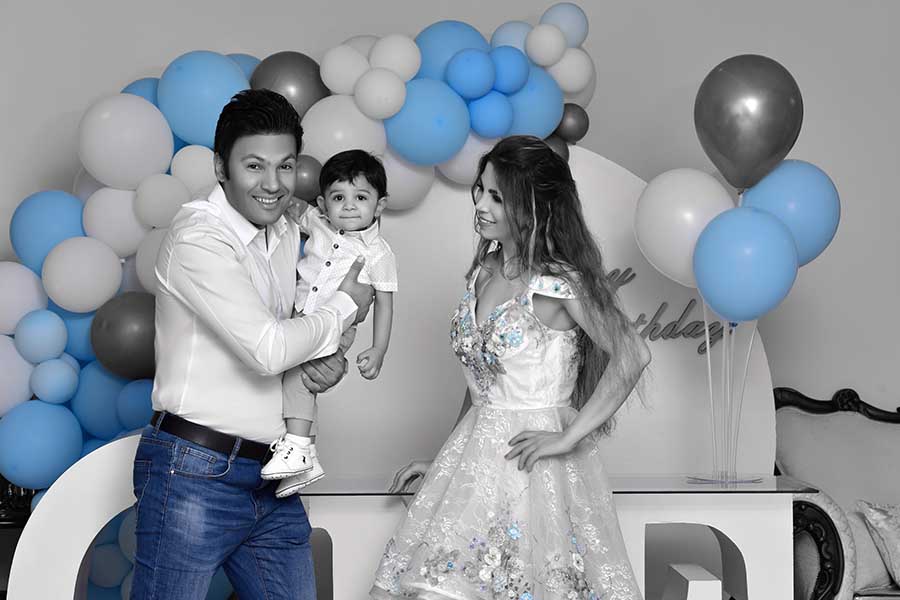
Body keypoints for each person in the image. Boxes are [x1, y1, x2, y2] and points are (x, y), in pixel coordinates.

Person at [370, 136, 650, 600]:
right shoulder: (484, 271)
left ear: (534, 205)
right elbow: (481, 385)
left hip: (534, 466)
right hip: (476, 457)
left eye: (497, 197)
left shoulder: (557, 282)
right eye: (480, 190)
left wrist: (567, 437)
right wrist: (446, 460)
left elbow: (633, 354)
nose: (480, 205)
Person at [130, 89, 374, 600]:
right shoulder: (198, 237)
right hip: (193, 471)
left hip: (272, 474)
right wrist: (343, 309)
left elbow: (292, 336)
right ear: (221, 167)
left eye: (285, 166)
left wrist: (323, 362)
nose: (273, 184)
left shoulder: (285, 230)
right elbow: (268, 349)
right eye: (254, 166)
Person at [262, 149, 397, 496]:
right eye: (339, 198)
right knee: (295, 383)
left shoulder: (379, 253)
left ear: (379, 205)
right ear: (324, 203)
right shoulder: (318, 223)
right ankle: (305, 455)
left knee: (299, 379)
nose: (349, 206)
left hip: (338, 327)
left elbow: (385, 302)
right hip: (299, 315)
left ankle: (298, 448)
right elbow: (292, 206)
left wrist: (379, 349)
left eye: (361, 198)